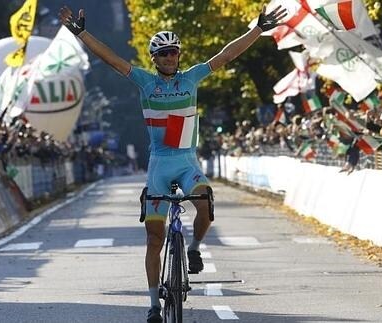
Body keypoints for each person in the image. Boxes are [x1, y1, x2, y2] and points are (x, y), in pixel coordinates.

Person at [59, 4, 286, 322]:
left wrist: (258, 29)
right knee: (154, 238)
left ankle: (193, 248)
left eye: (173, 52)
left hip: (186, 161)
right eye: (163, 53)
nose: (169, 57)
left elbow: (226, 55)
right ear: (154, 58)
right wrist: (82, 34)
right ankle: (153, 304)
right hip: (159, 165)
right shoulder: (145, 82)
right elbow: (110, 59)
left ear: (179, 55)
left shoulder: (191, 78)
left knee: (205, 202)